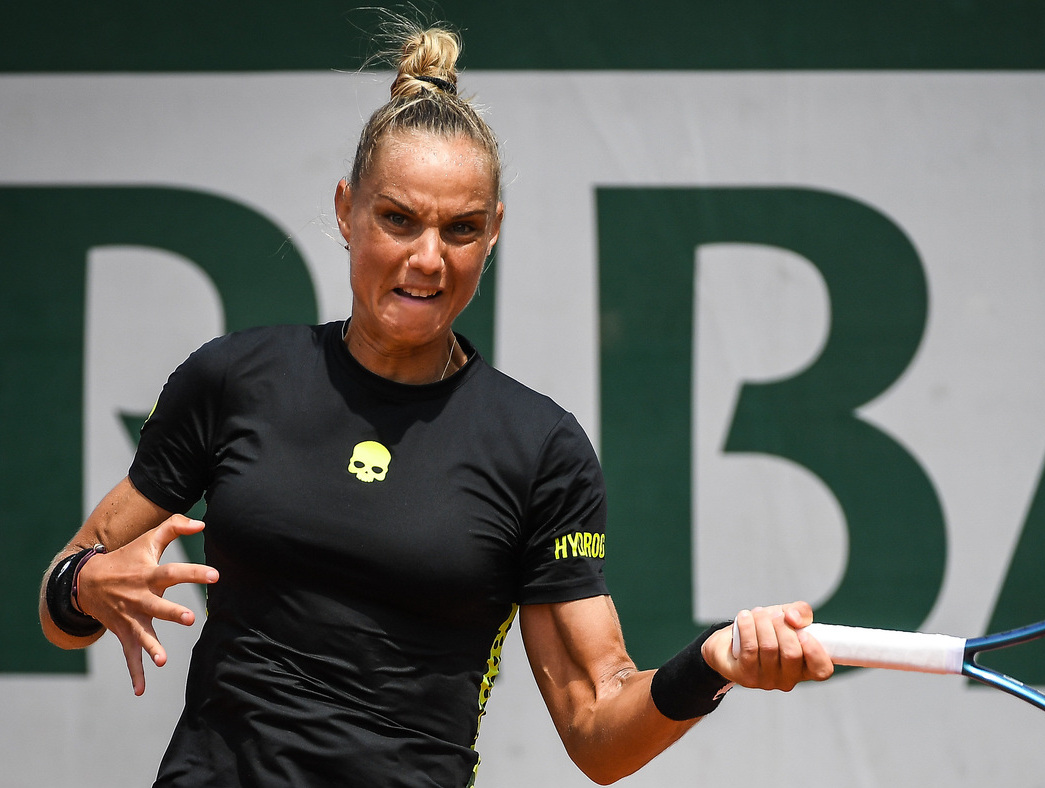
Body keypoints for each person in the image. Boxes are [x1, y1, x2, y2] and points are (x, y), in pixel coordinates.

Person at [38, 20, 833, 788]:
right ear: (346, 210)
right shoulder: (232, 380)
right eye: (398, 219)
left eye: (461, 229)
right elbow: (62, 596)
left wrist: (712, 664)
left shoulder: (539, 449)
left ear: (494, 233)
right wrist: (84, 586)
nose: (427, 258)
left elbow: (599, 731)